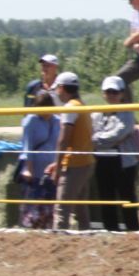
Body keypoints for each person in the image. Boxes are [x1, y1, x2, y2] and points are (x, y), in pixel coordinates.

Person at [90, 75, 139, 232]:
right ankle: (110, 230)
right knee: (106, 197)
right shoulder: (97, 114)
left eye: (114, 92)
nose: (111, 95)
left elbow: (119, 132)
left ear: (122, 94)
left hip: (123, 161)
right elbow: (96, 134)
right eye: (108, 92)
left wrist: (99, 139)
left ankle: (133, 230)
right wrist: (106, 139)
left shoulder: (127, 112)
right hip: (102, 160)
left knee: (127, 197)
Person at [47, 70, 95, 232]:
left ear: (62, 88)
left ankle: (60, 241)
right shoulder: (82, 106)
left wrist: (59, 167)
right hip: (86, 162)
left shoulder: (69, 108)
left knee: (62, 209)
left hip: (74, 165)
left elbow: (64, 139)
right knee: (81, 208)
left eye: (57, 89)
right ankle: (85, 236)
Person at [17, 86, 60, 229]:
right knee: (33, 207)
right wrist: (28, 169)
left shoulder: (57, 121)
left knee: (49, 207)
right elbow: (27, 146)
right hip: (35, 171)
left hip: (51, 170)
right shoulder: (31, 121)